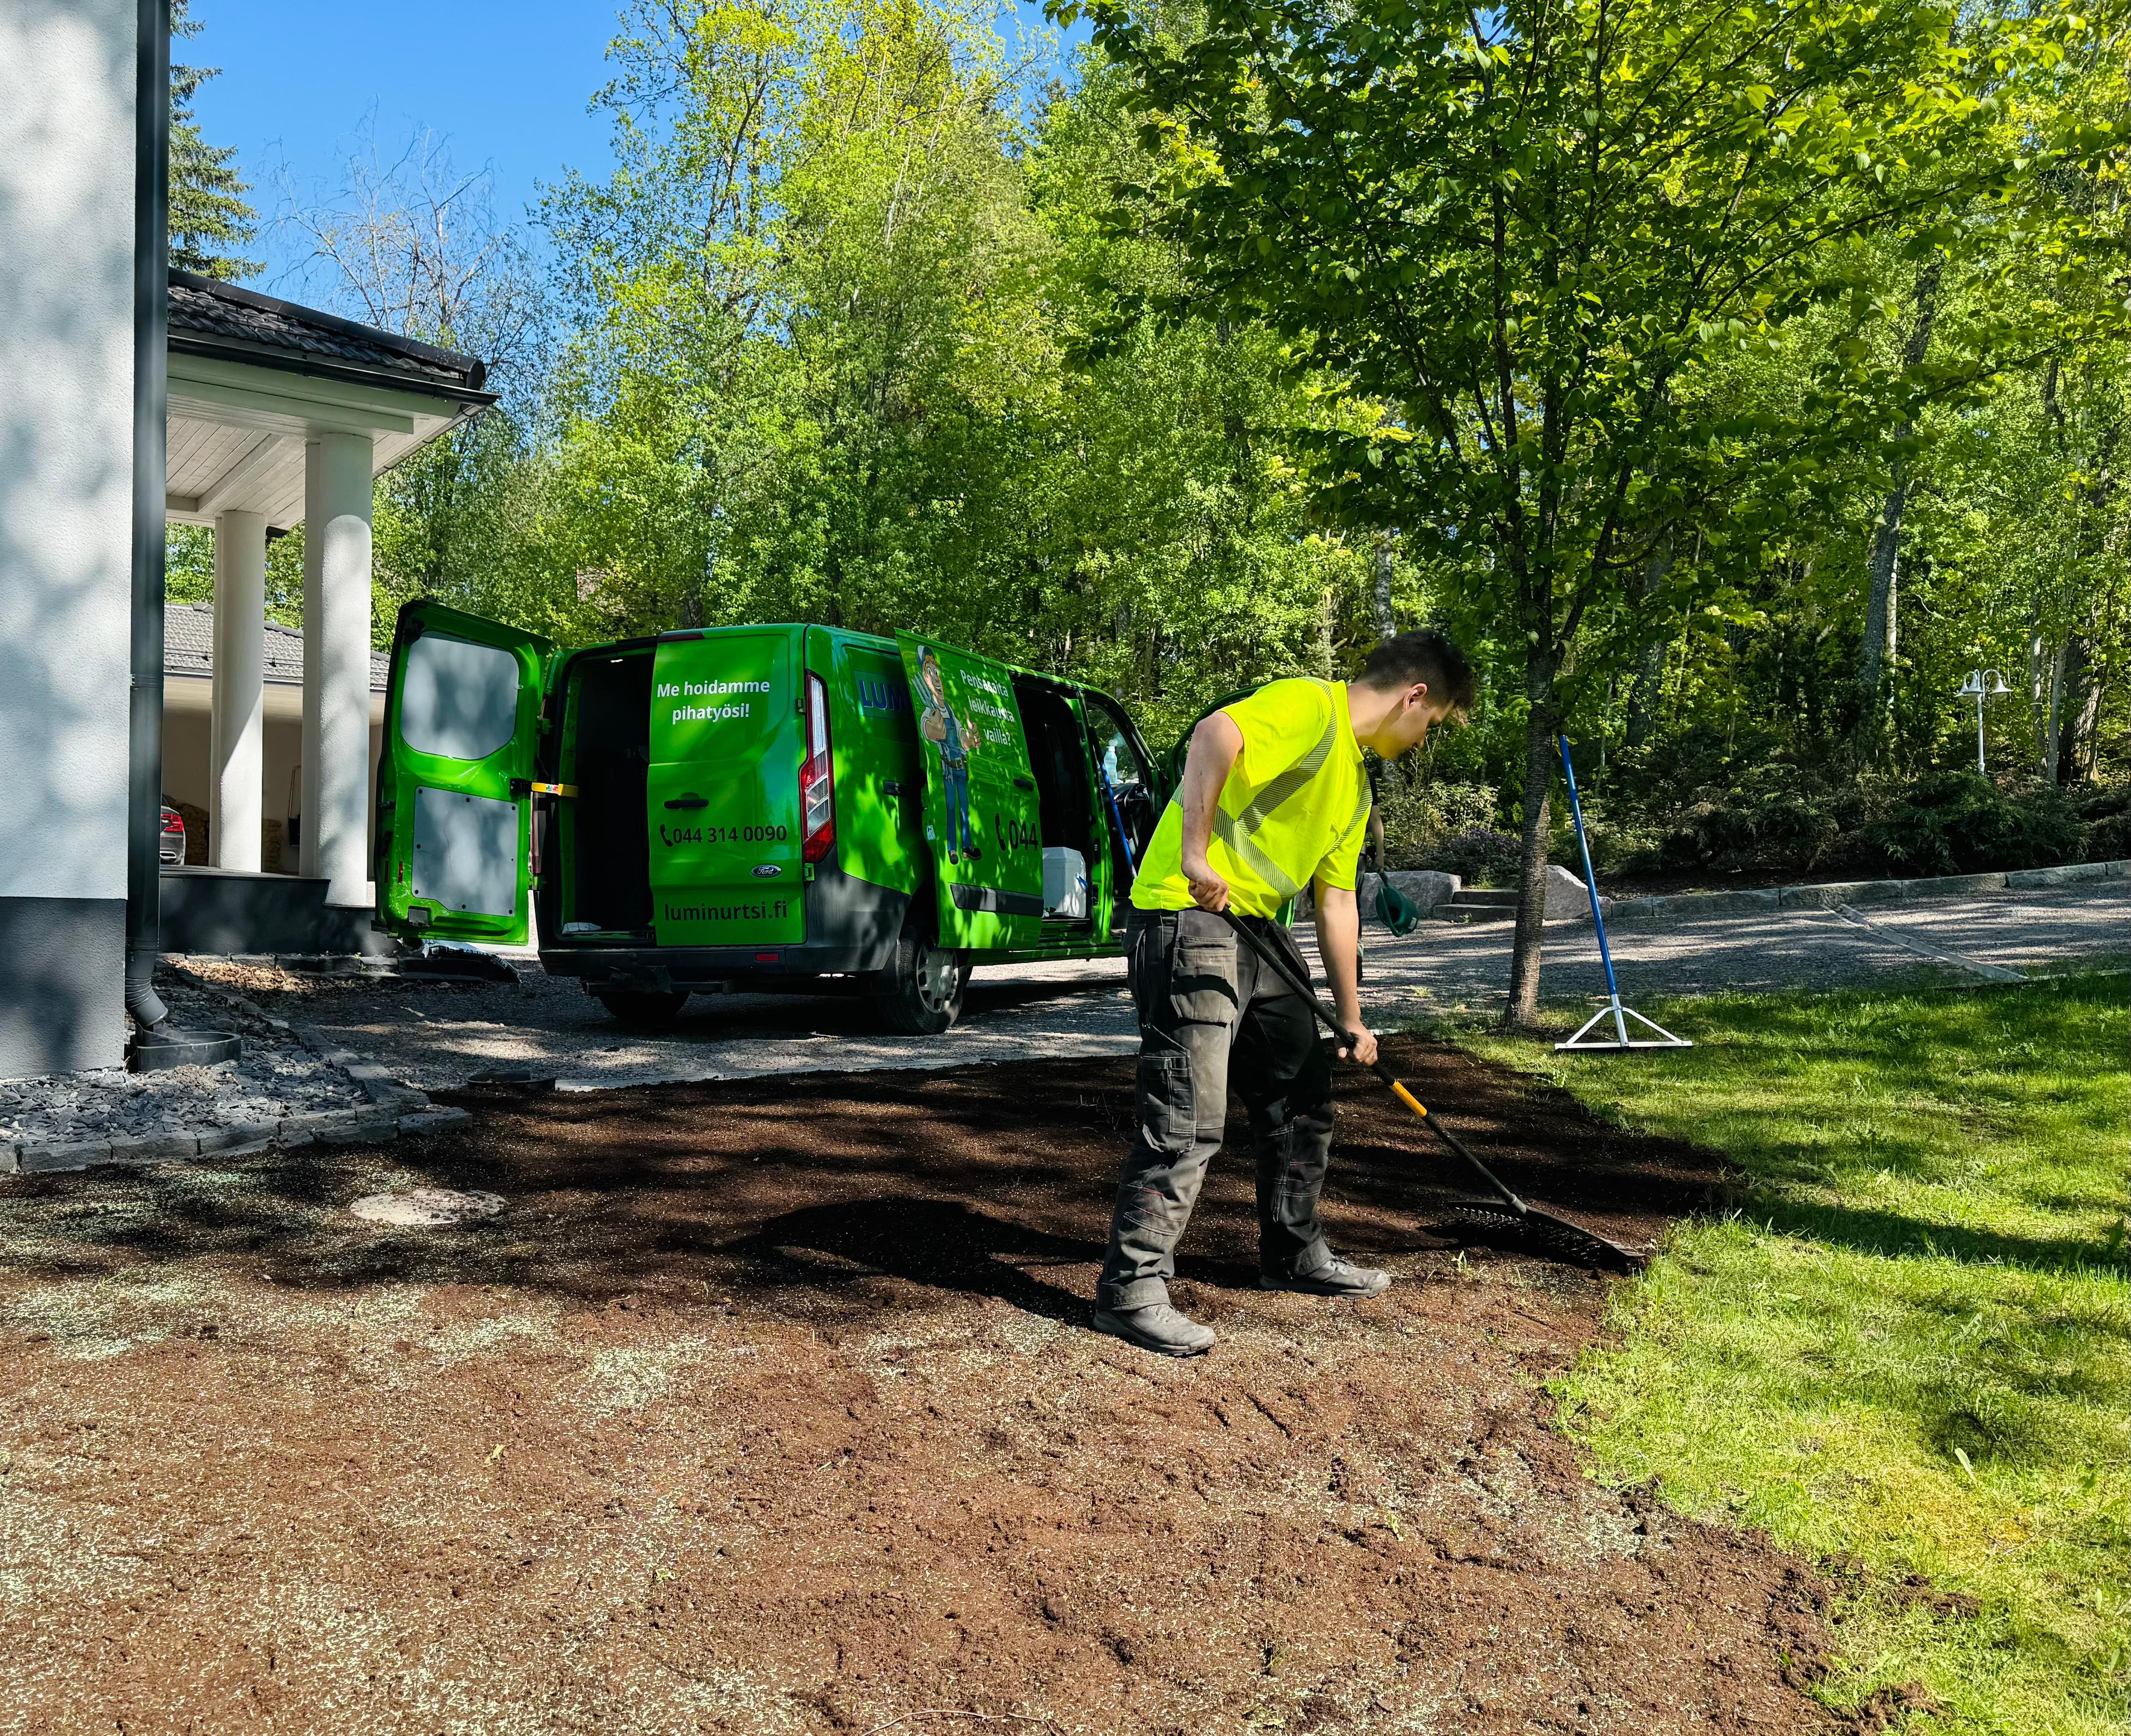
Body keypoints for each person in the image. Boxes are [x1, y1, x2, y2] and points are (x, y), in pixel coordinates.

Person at [1092, 629, 1476, 1357]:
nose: (1425, 741)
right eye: (1431, 725)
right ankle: (1131, 1291)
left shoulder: (1355, 785)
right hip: (1189, 913)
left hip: (1259, 930)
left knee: (1303, 1096)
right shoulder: (1311, 708)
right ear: (1413, 696)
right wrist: (1195, 852)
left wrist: (1354, 1020)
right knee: (1189, 1114)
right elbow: (1214, 734)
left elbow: (1337, 904)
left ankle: (1293, 1255)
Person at [916, 647, 981, 864]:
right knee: (951, 805)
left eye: (937, 672)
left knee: (964, 806)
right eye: (930, 672)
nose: (936, 679)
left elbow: (964, 739)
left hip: (961, 767)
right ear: (924, 680)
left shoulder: (951, 711)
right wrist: (935, 730)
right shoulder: (929, 712)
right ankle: (952, 848)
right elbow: (928, 730)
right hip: (946, 768)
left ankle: (967, 845)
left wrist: (971, 737)